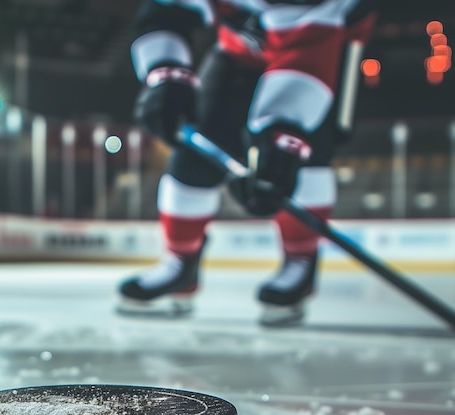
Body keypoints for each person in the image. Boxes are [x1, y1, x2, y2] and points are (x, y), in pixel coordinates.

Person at [117, 0, 377, 325]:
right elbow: (166, 10)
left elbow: (307, 56)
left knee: (304, 157)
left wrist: (283, 134)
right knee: (192, 156)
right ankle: (180, 262)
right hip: (238, 52)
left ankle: (300, 258)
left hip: (328, 48)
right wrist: (164, 71)